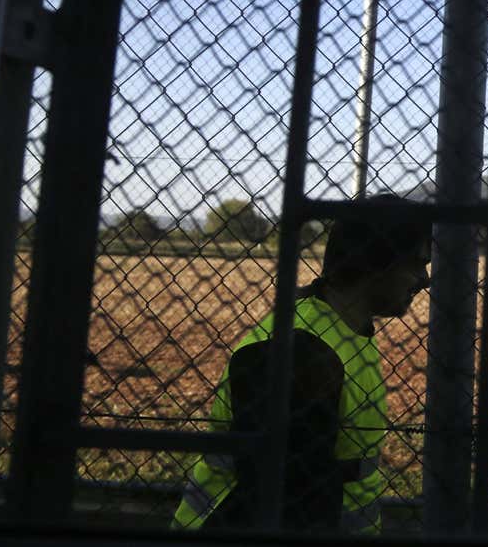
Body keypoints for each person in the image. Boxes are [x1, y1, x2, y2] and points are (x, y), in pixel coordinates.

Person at [171, 194, 429, 533]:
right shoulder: (300, 354)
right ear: (377, 261)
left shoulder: (345, 331)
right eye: (417, 263)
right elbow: (282, 503)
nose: (425, 279)